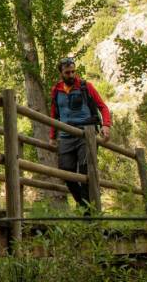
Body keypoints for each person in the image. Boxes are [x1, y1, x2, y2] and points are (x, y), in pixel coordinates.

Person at [49, 57, 111, 211]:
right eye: (67, 72)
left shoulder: (86, 87)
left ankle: (89, 213)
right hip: (65, 137)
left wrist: (106, 125)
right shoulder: (56, 90)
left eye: (73, 72)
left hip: (85, 135)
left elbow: (103, 107)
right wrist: (52, 136)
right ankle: (84, 206)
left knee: (85, 174)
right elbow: (54, 114)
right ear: (61, 73)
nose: (71, 75)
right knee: (66, 173)